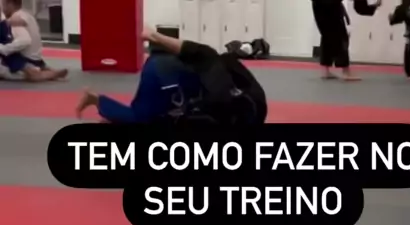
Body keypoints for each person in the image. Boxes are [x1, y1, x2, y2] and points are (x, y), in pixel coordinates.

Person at [77, 29, 267, 127]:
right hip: (164, 76)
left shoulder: (252, 95)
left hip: (169, 66)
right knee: (143, 119)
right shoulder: (220, 100)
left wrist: (156, 37)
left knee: (154, 118)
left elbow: (203, 52)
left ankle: (107, 110)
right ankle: (97, 101)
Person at [311, 0, 382, 81]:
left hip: (318, 4)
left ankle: (325, 71)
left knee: (327, 34)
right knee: (341, 36)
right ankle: (345, 71)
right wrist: (375, 6)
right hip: (330, 5)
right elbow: (360, 8)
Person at [0, 0, 67, 82]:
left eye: (3, 5)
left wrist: (4, 49)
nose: (2, 9)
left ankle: (43, 73)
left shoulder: (15, 19)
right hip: (37, 58)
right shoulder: (28, 16)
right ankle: (45, 69)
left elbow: (25, 41)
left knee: (7, 68)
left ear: (10, 4)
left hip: (27, 60)